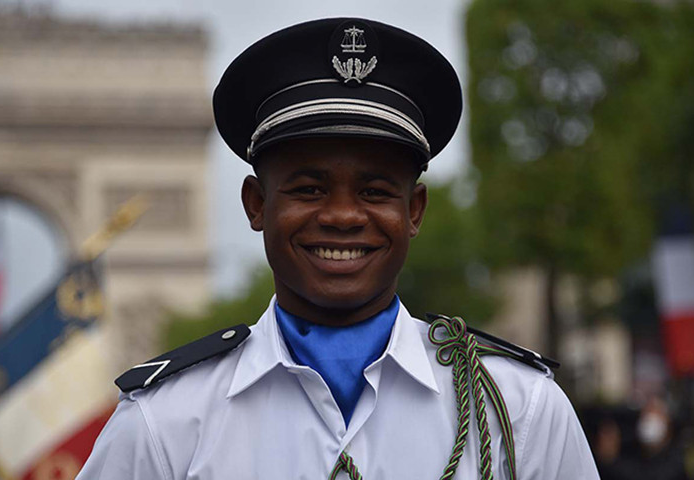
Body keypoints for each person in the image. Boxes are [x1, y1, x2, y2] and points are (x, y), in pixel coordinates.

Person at [76, 17, 599, 479]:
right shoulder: (161, 423)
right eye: (308, 189)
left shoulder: (522, 410)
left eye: (375, 192)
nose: (344, 216)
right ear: (256, 204)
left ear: (414, 210)